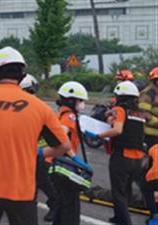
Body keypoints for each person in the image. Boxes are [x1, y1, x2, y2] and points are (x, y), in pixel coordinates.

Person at [0, 46, 71, 225]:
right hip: (22, 189)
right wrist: (38, 153)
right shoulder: (40, 107)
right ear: (21, 75)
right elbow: (64, 146)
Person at [85, 81, 145, 225]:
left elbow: (118, 130)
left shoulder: (120, 109)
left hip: (122, 157)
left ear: (120, 96)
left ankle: (124, 221)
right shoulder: (139, 113)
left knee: (119, 192)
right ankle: (118, 217)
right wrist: (110, 117)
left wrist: (98, 136)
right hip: (137, 159)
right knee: (127, 190)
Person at [53, 81, 92, 225]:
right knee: (71, 204)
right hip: (66, 163)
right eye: (80, 100)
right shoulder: (69, 116)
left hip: (58, 161)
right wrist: (73, 156)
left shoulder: (60, 113)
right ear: (71, 100)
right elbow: (60, 136)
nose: (82, 104)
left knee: (62, 202)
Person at [20, 75, 58, 221]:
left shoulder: (33, 108)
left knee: (42, 181)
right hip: (32, 152)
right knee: (32, 181)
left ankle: (55, 204)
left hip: (39, 154)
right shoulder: (32, 106)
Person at [139, 67, 158, 224]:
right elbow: (144, 114)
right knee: (149, 175)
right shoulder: (148, 94)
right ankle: (153, 212)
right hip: (151, 138)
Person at [145, 144, 158, 225]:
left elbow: (147, 166)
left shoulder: (154, 148)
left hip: (154, 177)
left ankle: (154, 218)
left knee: (151, 197)